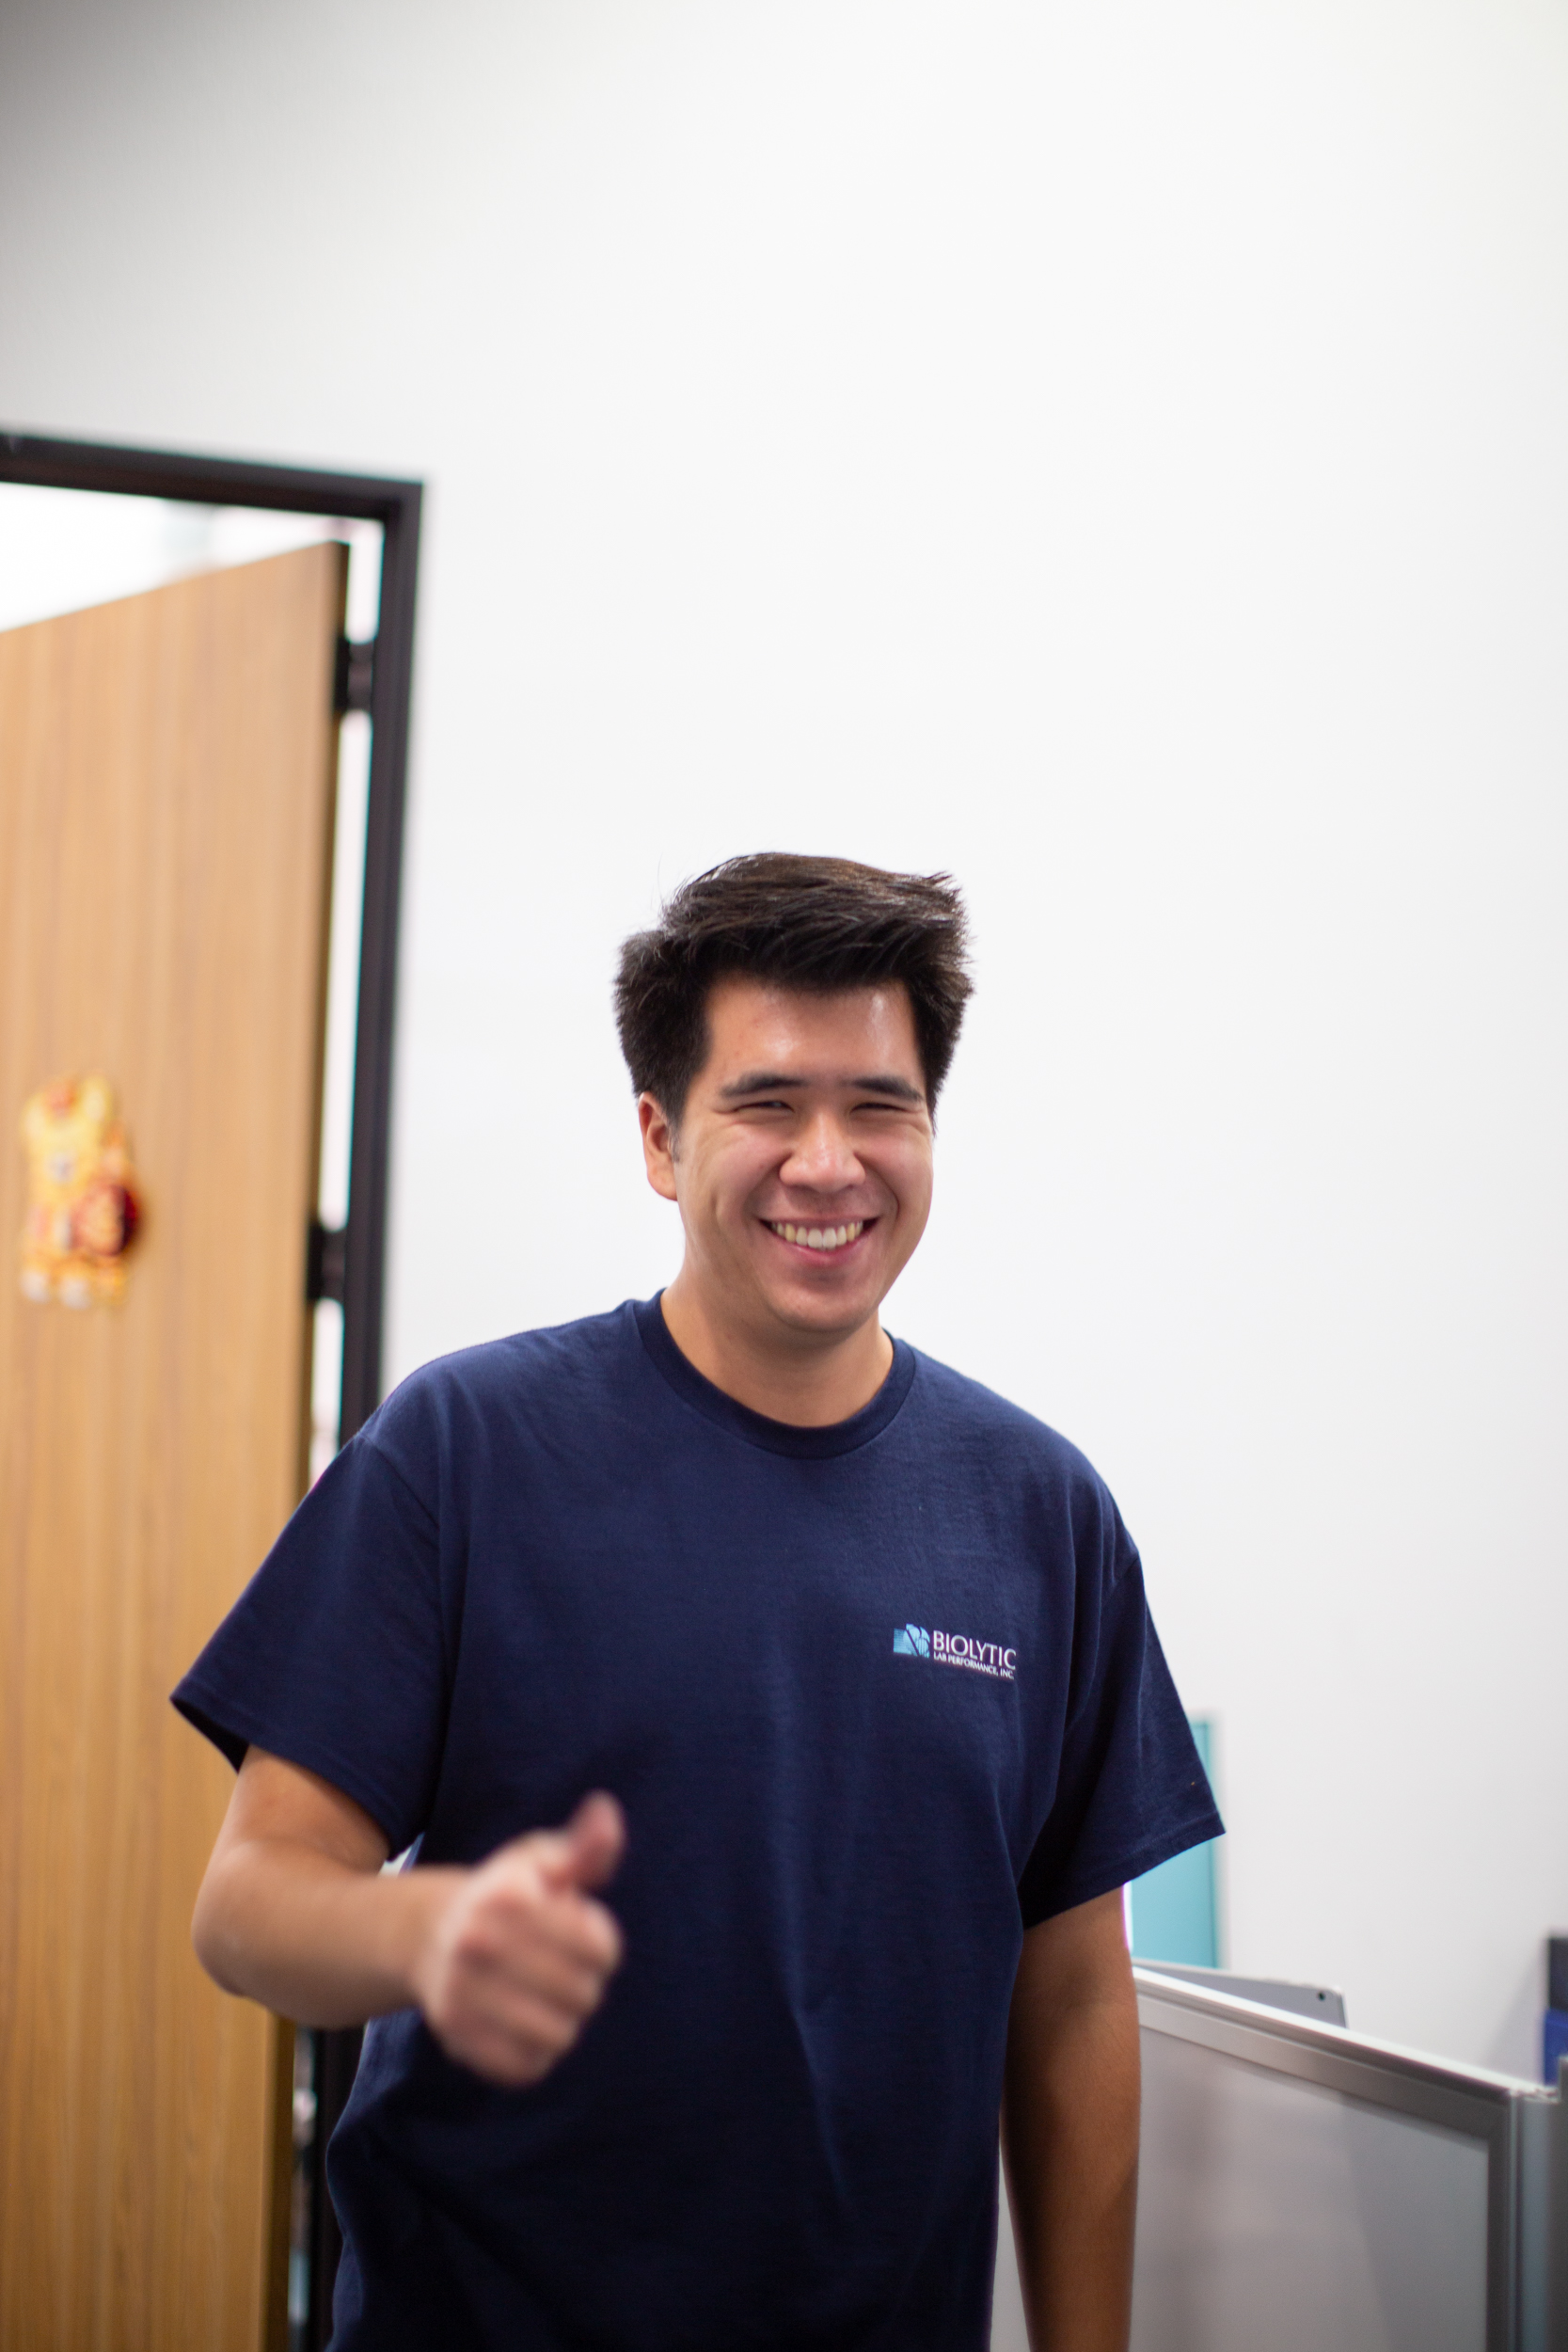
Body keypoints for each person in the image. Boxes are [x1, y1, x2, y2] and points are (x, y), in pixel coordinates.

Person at [176, 852, 1221, 2352]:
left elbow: (1068, 2005)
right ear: (662, 1140)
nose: (829, 1164)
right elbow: (247, 1904)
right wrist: (420, 1932)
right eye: (767, 1105)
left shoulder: (1041, 1514)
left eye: (881, 1108)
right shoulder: (466, 1452)